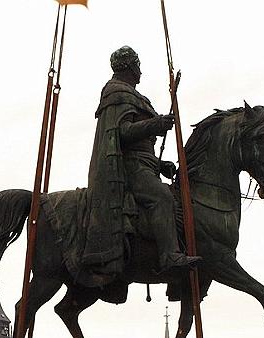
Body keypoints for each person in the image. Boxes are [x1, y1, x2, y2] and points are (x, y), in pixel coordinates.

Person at [84, 45, 200, 281]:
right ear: (129, 66)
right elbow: (122, 134)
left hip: (144, 165)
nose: (140, 72)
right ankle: (170, 256)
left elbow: (141, 146)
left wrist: (159, 164)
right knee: (162, 198)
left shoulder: (134, 96)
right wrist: (155, 125)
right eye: (138, 66)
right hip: (129, 170)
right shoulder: (117, 93)